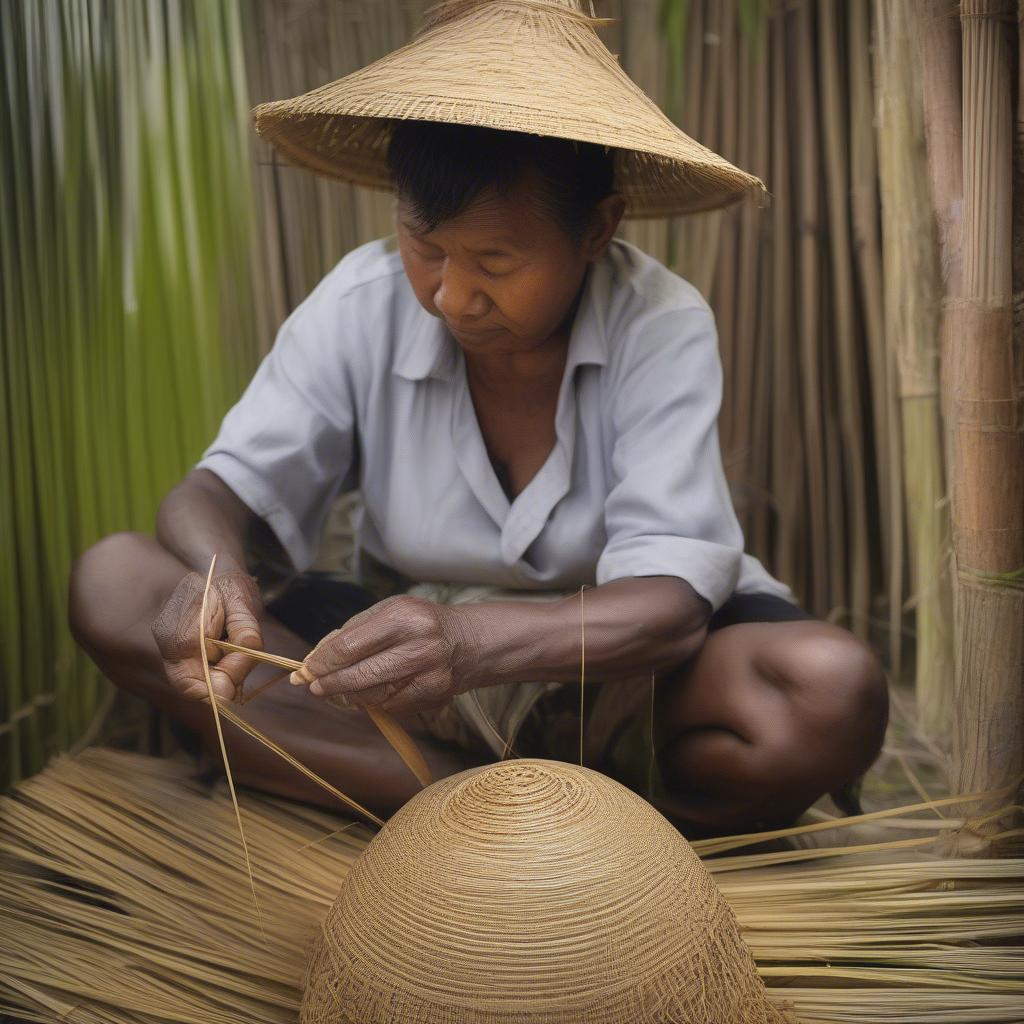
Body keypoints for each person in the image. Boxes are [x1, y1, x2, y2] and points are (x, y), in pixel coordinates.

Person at [69, 0, 887, 834]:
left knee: (827, 690)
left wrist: (468, 642)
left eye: (496, 260)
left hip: (611, 674)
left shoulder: (660, 321)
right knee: (113, 579)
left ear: (597, 229)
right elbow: (212, 493)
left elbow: (671, 607)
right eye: (425, 247)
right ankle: (524, 812)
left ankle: (374, 781)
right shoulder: (361, 300)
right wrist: (221, 584)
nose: (452, 296)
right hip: (392, 674)